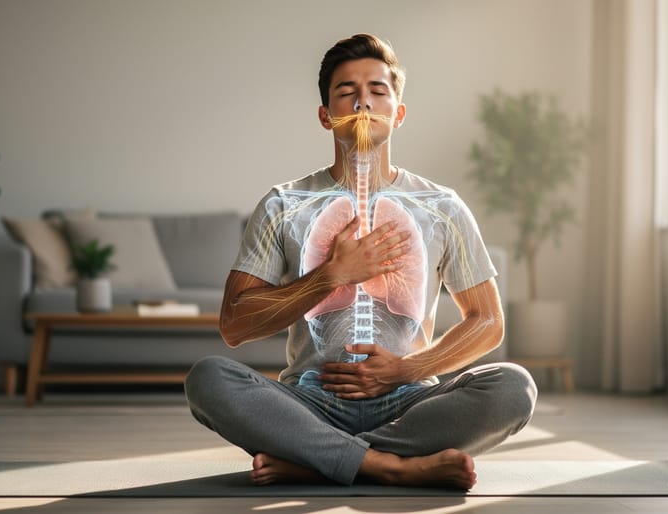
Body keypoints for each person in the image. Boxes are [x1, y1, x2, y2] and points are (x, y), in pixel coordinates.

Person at [185, 33, 537, 490]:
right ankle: (390, 466)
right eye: (347, 92)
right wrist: (330, 275)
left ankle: (316, 460)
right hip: (309, 400)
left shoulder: (442, 206)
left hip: (409, 402)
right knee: (208, 379)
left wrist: (405, 369)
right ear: (326, 116)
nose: (364, 104)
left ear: (399, 113)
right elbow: (234, 325)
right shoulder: (283, 204)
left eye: (378, 91)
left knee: (514, 386)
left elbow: (488, 322)